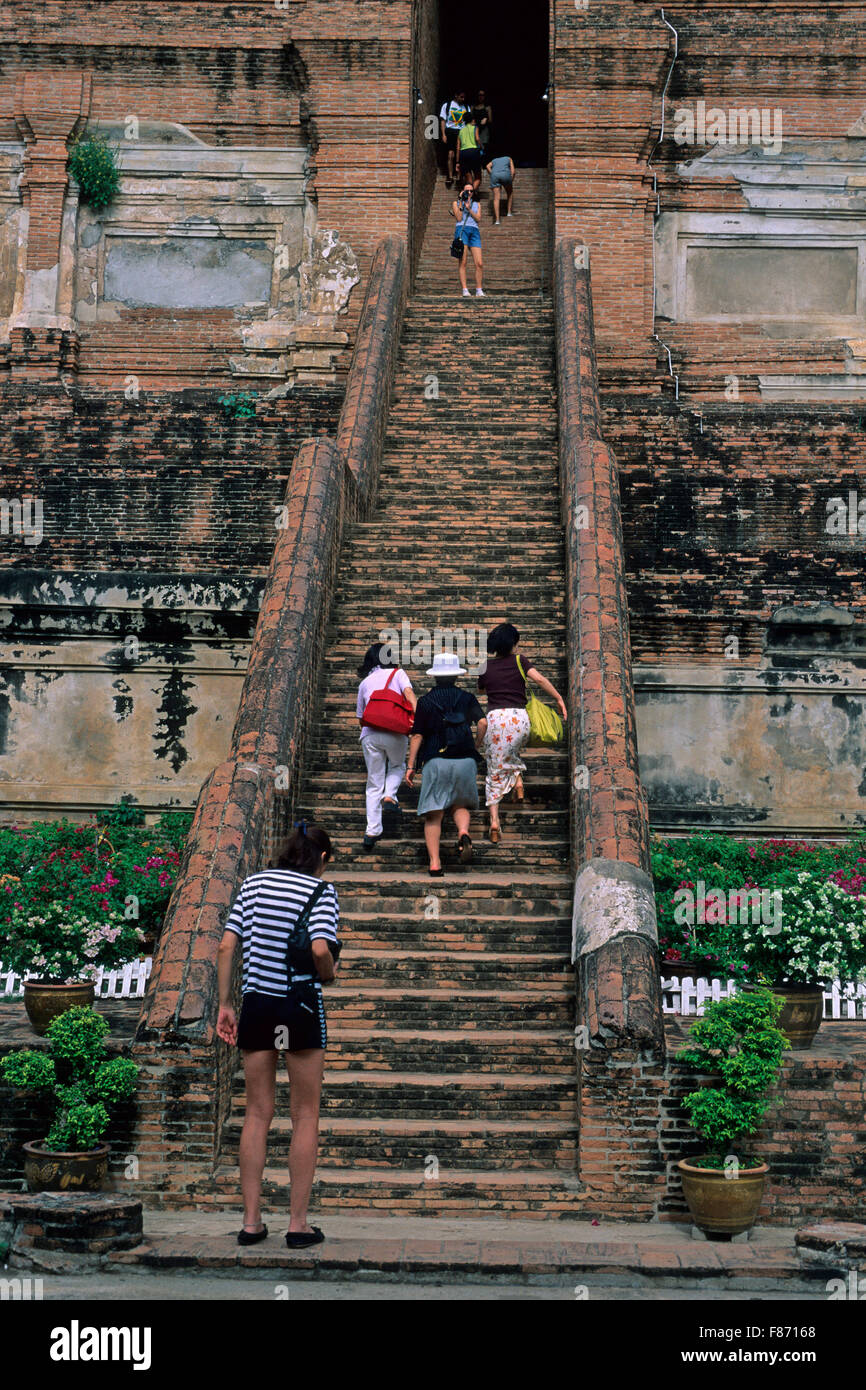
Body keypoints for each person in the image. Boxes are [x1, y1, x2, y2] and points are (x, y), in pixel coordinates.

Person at [216, 822, 341, 1249]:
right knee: (305, 1114)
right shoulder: (321, 892)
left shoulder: (253, 884)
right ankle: (297, 1224)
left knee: (256, 1114)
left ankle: (251, 1223)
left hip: (258, 1005)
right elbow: (321, 949)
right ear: (321, 857)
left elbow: (226, 946)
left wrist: (225, 1004)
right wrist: (328, 974)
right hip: (299, 1005)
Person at [477, 622, 568, 842]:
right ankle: (517, 779)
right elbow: (539, 679)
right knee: (512, 750)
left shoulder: (485, 665)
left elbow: (480, 690)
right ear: (514, 644)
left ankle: (495, 823)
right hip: (520, 720)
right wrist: (558, 698)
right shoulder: (520, 660)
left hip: (496, 721)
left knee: (494, 770)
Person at [406, 651, 487, 875]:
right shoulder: (467, 698)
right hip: (465, 760)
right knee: (460, 805)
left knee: (434, 814)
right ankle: (462, 832)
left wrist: (411, 765)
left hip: (436, 760)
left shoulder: (425, 702)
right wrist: (475, 747)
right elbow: (482, 722)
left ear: (435, 676)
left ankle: (435, 864)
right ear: (456, 676)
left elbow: (417, 736)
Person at [356, 641, 417, 851]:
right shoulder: (398, 674)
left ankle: (372, 831)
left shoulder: (365, 682)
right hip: (395, 732)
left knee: (373, 782)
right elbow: (409, 696)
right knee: (398, 766)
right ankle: (390, 794)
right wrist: (418, 719)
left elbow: (360, 716)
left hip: (370, 735)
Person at [452, 185, 484, 298]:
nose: (469, 192)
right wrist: (461, 202)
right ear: (463, 191)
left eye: (471, 191)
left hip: (474, 231)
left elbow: (479, 219)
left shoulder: (477, 204)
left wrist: (469, 208)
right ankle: (465, 289)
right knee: (463, 262)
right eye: (467, 190)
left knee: (479, 263)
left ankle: (479, 290)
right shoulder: (456, 203)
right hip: (462, 230)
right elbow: (459, 218)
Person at [439, 89, 469, 187]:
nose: (463, 99)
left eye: (464, 97)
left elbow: (469, 122)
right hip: (450, 131)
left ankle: (459, 177)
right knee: (450, 154)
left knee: (460, 155)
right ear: (456, 96)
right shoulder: (447, 105)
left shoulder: (466, 107)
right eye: (461, 97)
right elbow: (443, 120)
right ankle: (450, 176)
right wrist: (443, 134)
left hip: (462, 132)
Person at [485, 153, 515, 225]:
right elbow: (513, 172)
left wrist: (492, 173)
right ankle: (509, 212)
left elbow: (487, 166)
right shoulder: (509, 158)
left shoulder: (494, 160)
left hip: (495, 175)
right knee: (509, 193)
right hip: (505, 175)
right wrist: (511, 180)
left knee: (496, 198)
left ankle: (497, 220)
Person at [456, 114, 483, 191]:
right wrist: (481, 146)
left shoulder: (460, 131)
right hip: (473, 152)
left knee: (469, 178)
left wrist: (457, 162)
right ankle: (472, 193)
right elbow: (477, 138)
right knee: (478, 177)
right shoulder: (475, 127)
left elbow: (458, 147)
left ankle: (468, 194)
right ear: (472, 120)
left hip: (463, 153)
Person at [473, 91, 492, 158]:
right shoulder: (473, 106)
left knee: (484, 147)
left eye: (482, 95)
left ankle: (484, 164)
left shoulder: (487, 107)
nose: (481, 97)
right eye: (479, 95)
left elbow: (490, 120)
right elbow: (471, 119)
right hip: (475, 128)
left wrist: (486, 120)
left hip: (484, 130)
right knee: (475, 146)